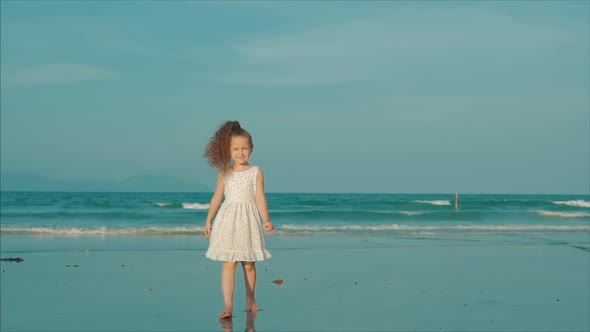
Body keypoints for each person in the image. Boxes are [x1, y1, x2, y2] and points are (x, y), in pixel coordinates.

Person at [203, 120, 274, 320]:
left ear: (252, 149)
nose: (241, 152)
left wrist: (266, 219)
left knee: (249, 263)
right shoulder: (224, 172)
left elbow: (260, 197)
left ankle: (251, 300)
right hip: (227, 221)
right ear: (228, 149)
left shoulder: (256, 172)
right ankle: (228, 306)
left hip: (249, 221)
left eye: (245, 148)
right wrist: (209, 220)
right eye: (236, 148)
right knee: (229, 263)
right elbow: (217, 197)